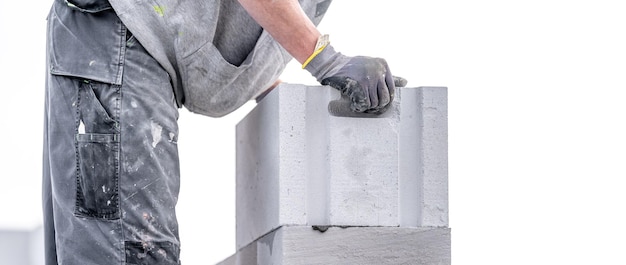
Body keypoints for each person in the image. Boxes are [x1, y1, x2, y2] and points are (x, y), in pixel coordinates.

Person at [43, 0, 405, 263]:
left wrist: (268, 85)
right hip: (119, 29)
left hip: (131, 40)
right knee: (130, 250)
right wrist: (325, 59)